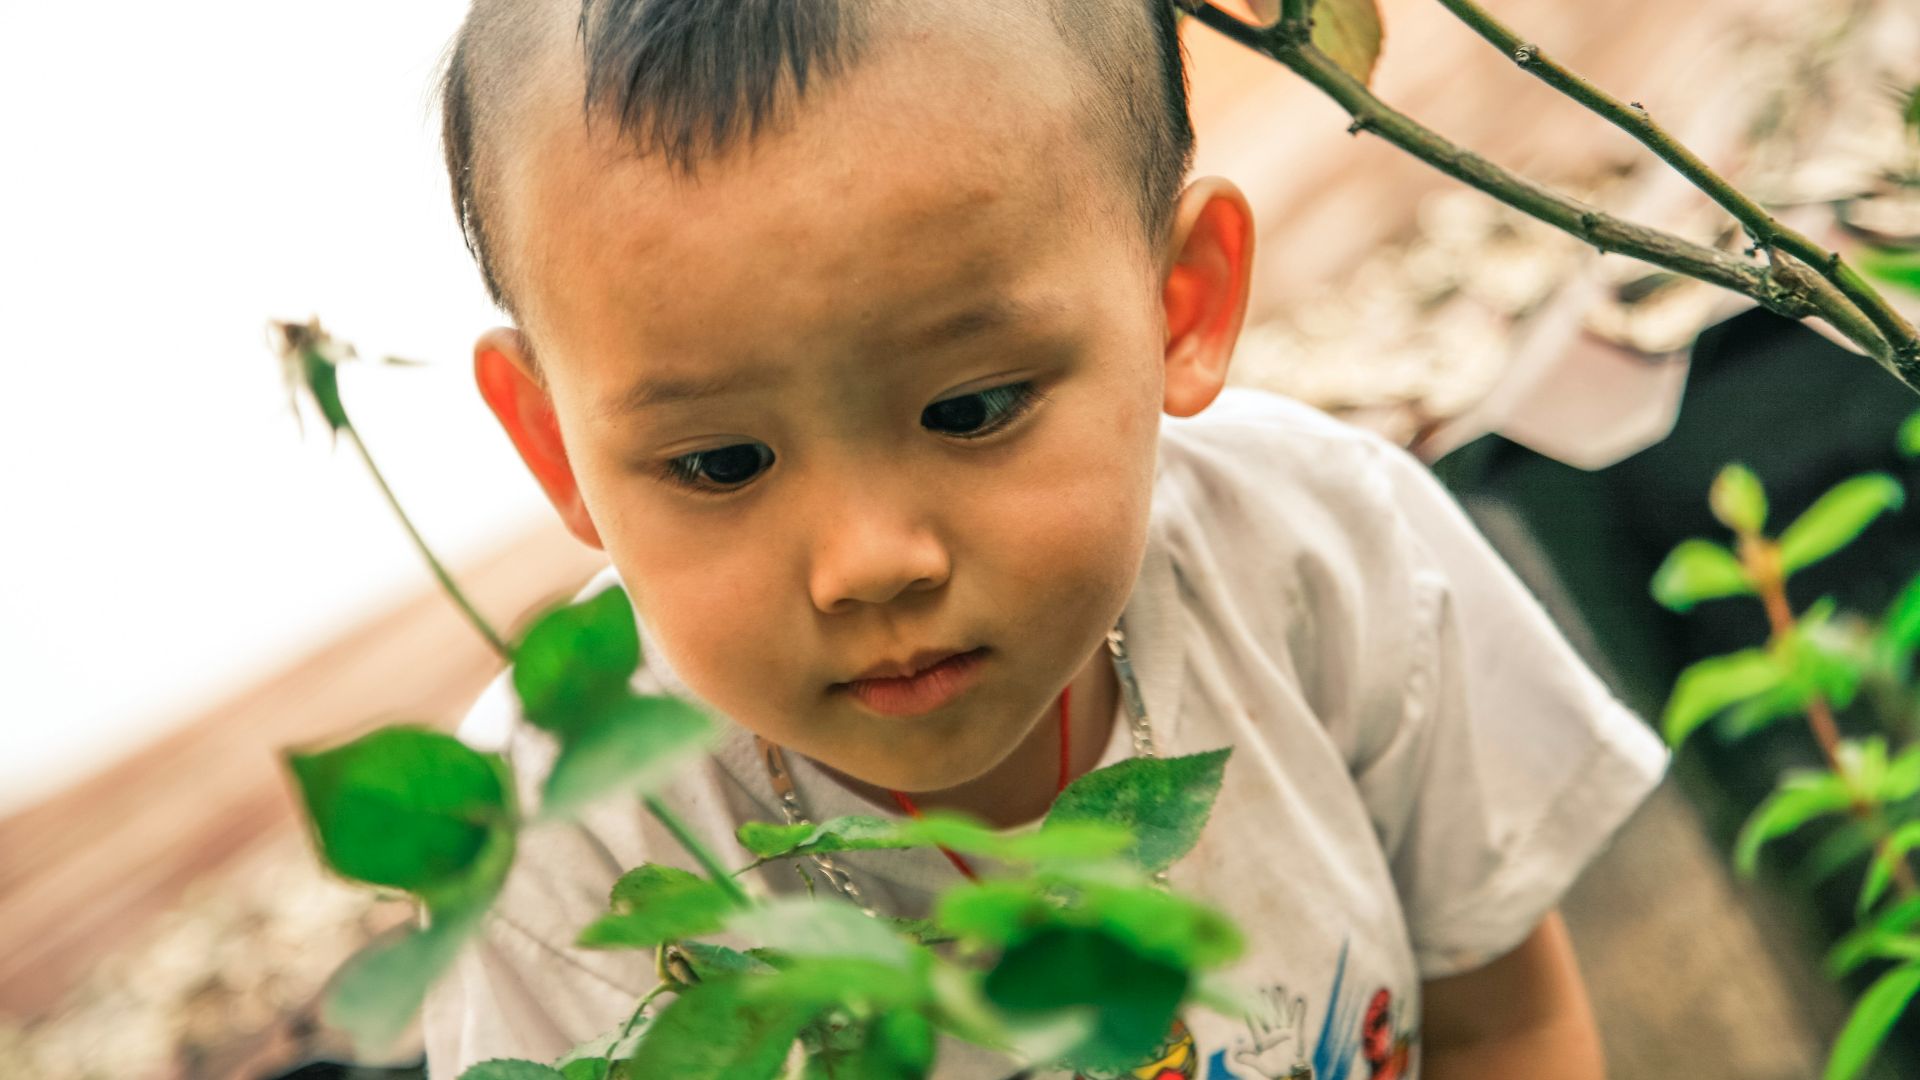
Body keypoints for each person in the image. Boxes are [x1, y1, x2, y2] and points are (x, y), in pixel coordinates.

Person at [421, 1, 1667, 1077]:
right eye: (719, 463)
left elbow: (1500, 1032)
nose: (870, 561)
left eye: (969, 409)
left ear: (1180, 302)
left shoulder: (1321, 554)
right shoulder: (562, 861)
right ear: (551, 446)